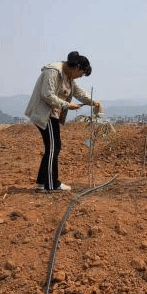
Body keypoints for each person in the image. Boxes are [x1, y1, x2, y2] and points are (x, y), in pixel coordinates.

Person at [25, 51, 103, 192]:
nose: (80, 77)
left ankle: (42, 183)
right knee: (53, 147)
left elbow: (79, 93)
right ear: (77, 68)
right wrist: (67, 105)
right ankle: (51, 184)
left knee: (52, 147)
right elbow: (47, 94)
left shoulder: (69, 76)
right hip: (45, 113)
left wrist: (93, 102)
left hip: (53, 114)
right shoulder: (54, 71)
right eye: (81, 74)